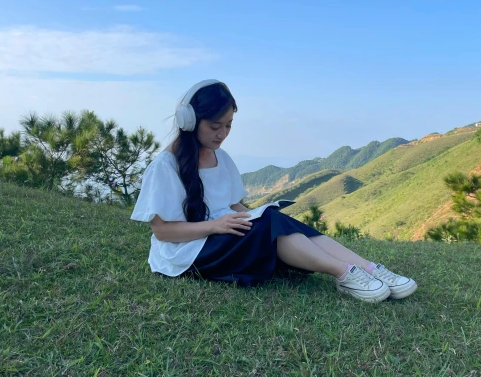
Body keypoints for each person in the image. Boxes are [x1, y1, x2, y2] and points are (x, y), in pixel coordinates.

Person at [131, 80, 417, 303]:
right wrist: (215, 225)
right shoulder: (165, 166)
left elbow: (235, 207)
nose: (222, 134)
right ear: (190, 121)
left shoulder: (222, 158)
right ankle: (342, 273)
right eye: (215, 126)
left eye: (228, 125)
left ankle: (367, 268)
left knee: (274, 217)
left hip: (223, 235)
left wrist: (255, 214)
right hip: (188, 253)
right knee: (270, 222)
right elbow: (162, 232)